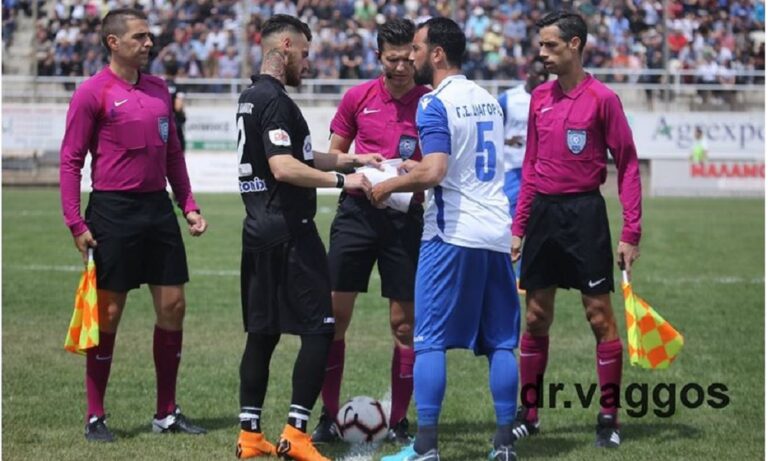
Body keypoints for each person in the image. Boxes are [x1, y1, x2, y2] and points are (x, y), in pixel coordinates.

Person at [232, 14, 383, 461]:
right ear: (285, 45)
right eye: (304, 51)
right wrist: (343, 182)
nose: (307, 61)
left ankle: (249, 435)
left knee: (262, 333)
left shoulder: (251, 97)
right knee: (321, 330)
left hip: (257, 229)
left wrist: (352, 160)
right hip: (290, 232)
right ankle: (297, 434)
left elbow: (296, 155)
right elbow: (284, 167)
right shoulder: (276, 101)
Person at [373, 17, 521, 461]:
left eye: (417, 49)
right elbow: (461, 162)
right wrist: (414, 168)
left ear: (437, 54)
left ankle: (425, 446)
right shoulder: (489, 100)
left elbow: (436, 170)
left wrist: (389, 185)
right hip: (496, 232)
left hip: (451, 234)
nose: (411, 56)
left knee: (429, 341)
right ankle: (503, 444)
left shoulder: (434, 102)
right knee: (501, 341)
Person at [58, 8, 209, 443]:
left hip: (157, 209)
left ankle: (166, 413)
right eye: (139, 37)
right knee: (108, 313)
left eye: (149, 36)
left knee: (174, 306)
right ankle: (95, 416)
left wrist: (188, 204)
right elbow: (70, 161)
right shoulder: (92, 93)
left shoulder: (159, 89)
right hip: (112, 211)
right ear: (113, 42)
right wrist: (75, 222)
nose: (148, 43)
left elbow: (173, 154)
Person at [510, 11, 642, 449]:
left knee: (599, 316)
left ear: (575, 44)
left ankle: (608, 418)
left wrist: (631, 232)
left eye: (550, 45)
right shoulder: (539, 98)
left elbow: (627, 164)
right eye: (540, 45)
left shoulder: (603, 99)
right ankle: (529, 414)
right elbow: (530, 164)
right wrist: (519, 226)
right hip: (543, 216)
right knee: (535, 316)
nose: (542, 53)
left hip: (585, 215)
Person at [310, 18, 430, 446]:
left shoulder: (430, 102)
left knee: (403, 325)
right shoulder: (357, 97)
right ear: (378, 56)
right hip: (356, 216)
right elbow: (332, 156)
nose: (400, 67)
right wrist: (358, 164)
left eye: (407, 59)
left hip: (405, 220)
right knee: (334, 318)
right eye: (391, 59)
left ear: (417, 55)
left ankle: (399, 420)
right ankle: (327, 415)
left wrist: (415, 172)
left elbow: (441, 165)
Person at [497, 57, 549, 218]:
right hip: (513, 168)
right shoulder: (508, 99)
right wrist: (507, 141)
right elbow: (491, 131)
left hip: (540, 169)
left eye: (545, 75)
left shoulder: (551, 99)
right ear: (527, 73)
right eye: (538, 74)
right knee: (510, 218)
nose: (542, 79)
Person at [162, 56, 187, 152]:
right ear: (176, 72)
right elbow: (178, 107)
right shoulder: (178, 87)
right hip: (174, 123)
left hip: (160, 122)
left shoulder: (160, 86)